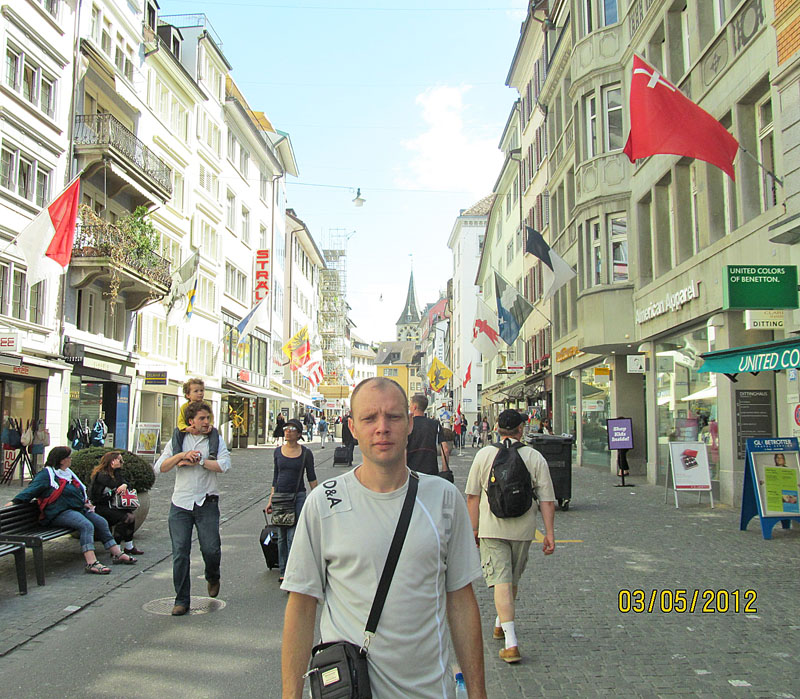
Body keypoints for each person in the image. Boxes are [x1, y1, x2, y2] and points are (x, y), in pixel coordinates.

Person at [281, 377, 487, 698]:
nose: (382, 428)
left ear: (409, 424)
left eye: (393, 417)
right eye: (369, 418)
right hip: (352, 690)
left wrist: (478, 692)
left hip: (430, 691)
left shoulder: (444, 499)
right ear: (352, 427)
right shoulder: (324, 503)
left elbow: (461, 601)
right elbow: (302, 606)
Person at [465, 409, 556, 664]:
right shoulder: (534, 457)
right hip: (523, 529)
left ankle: (511, 642)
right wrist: (549, 533)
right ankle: (501, 623)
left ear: (497, 429)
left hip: (491, 528)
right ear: (520, 430)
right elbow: (547, 500)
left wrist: (474, 529)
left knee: (501, 581)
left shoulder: (484, 455)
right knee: (511, 580)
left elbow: (472, 496)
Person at [154, 401, 231, 616]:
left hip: (207, 502)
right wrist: (181, 456)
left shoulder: (215, 440)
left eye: (208, 418)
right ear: (191, 421)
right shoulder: (179, 439)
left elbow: (224, 465)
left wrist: (201, 461)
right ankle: (181, 600)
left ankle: (212, 576)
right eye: (202, 419)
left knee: (211, 548)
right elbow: (160, 467)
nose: (206, 422)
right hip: (181, 503)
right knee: (180, 552)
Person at [6, 447, 137, 574]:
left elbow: (79, 491)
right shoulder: (47, 475)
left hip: (77, 508)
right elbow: (31, 490)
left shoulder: (68, 473)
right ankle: (91, 562)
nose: (71, 459)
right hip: (58, 512)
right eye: (68, 457)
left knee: (101, 522)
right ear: (61, 460)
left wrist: (85, 503)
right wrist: (14, 502)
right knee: (86, 525)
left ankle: (117, 554)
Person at [265, 418, 317, 583]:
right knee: (281, 536)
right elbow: (276, 477)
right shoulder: (277, 452)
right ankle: (283, 570)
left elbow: (311, 477)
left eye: (292, 429)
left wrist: (318, 498)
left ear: (299, 434)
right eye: (286, 428)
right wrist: (271, 499)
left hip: (297, 497)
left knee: (293, 535)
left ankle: (293, 569)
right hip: (280, 497)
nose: (287, 431)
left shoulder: (306, 453)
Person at [89, 451, 143, 556]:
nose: (122, 463)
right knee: (125, 518)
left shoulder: (115, 473)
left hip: (113, 505)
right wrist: (121, 480)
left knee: (131, 516)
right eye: (120, 460)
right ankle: (116, 549)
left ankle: (129, 546)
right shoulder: (101, 475)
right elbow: (115, 485)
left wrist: (125, 485)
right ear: (111, 462)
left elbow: (125, 483)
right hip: (102, 506)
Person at [406, 393, 450, 476]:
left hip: (411, 471)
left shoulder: (407, 424)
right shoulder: (435, 424)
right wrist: (445, 470)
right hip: (431, 470)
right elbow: (445, 449)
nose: (409, 407)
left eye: (410, 405)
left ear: (414, 407)